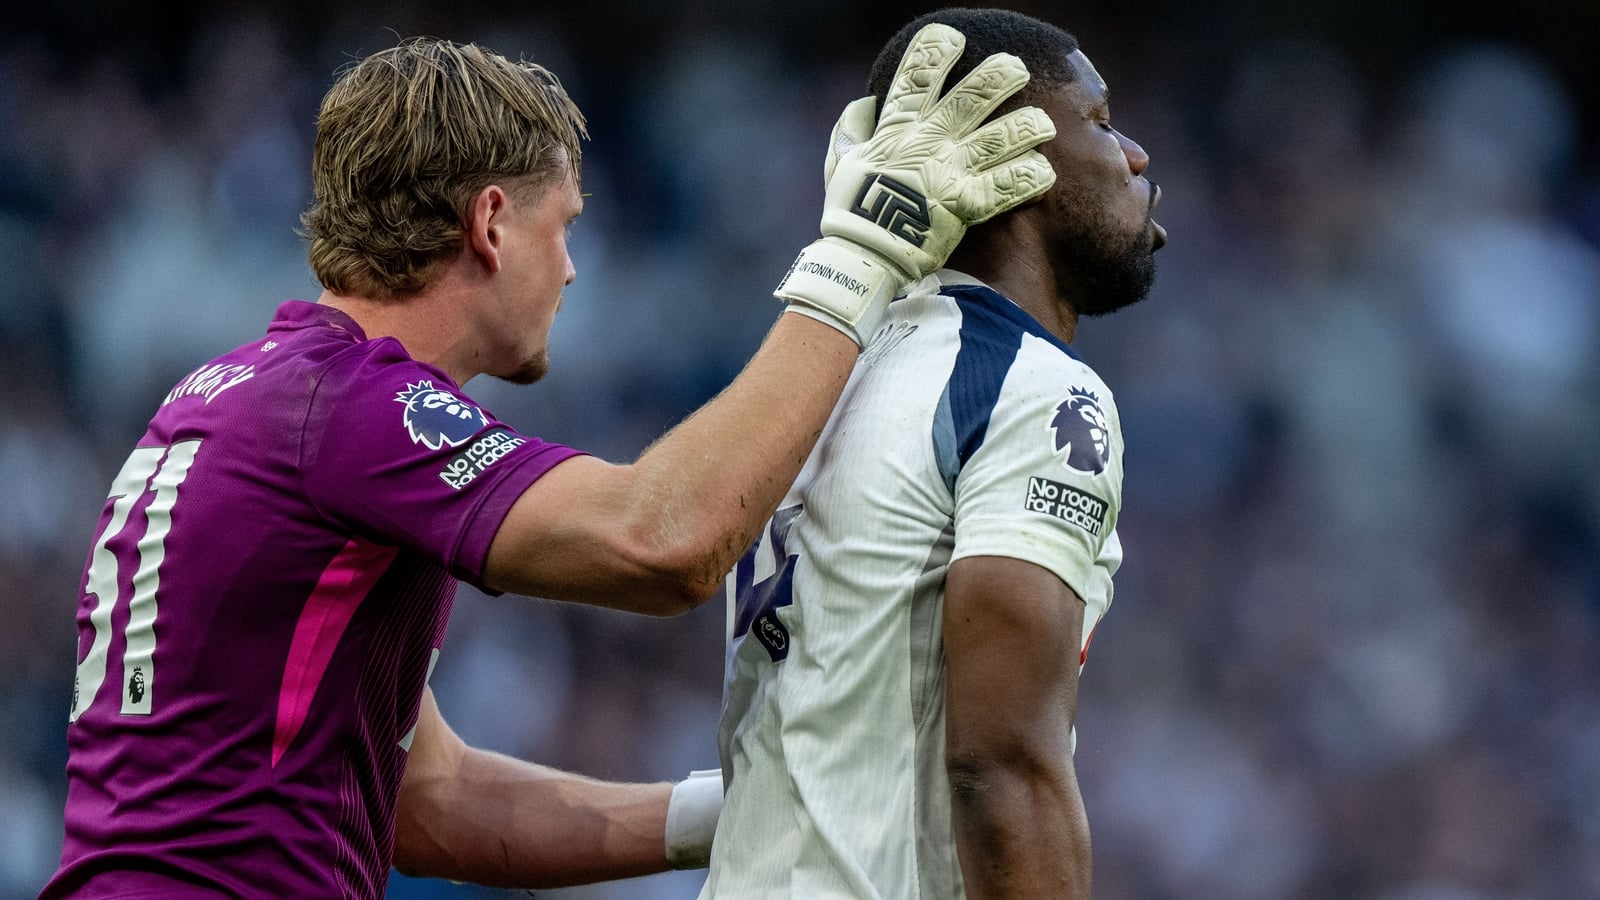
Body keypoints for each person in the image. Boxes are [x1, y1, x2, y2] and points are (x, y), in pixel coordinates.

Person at [41, 29, 1057, 900]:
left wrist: (751, 806)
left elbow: (429, 803)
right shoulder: (351, 411)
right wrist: (863, 253)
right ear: (489, 223)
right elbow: (664, 542)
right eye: (563, 224)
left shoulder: (248, 395)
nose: (571, 267)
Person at [701, 8, 1165, 899]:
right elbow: (1003, 765)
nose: (1136, 156)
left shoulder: (820, 375)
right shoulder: (1030, 385)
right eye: (1103, 123)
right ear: (1014, 162)